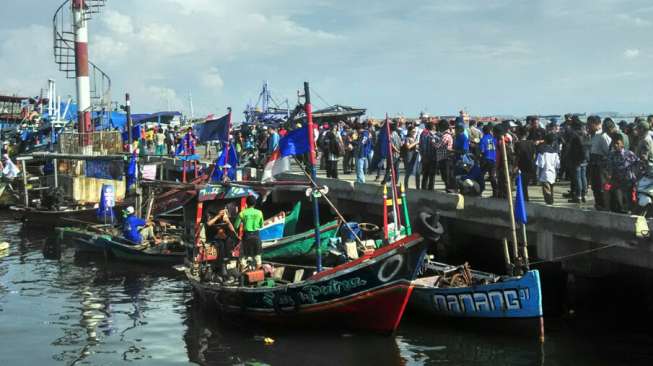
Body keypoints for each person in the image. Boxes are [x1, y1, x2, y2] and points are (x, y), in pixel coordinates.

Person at [607, 134, 638, 213]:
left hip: (628, 181)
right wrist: (610, 179)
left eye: (617, 143)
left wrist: (636, 178)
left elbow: (637, 164)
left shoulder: (629, 154)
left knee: (630, 200)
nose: (615, 145)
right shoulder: (612, 155)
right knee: (618, 200)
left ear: (622, 144)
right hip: (617, 181)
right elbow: (610, 168)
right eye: (614, 143)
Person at [233, 195, 264, 270]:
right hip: (256, 236)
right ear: (255, 203)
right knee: (258, 257)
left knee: (242, 257)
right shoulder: (259, 213)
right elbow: (261, 225)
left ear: (246, 203)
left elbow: (236, 226)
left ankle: (244, 272)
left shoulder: (242, 213)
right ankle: (257, 274)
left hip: (247, 237)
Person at [588, 116, 612, 210]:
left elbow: (608, 152)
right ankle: (598, 204)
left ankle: (603, 205)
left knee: (602, 187)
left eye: (590, 125)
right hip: (593, 164)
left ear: (597, 124)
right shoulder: (593, 136)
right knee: (595, 187)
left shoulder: (603, 136)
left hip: (601, 166)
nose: (588, 127)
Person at [536, 134, 560, 205]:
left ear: (545, 141)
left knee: (546, 192)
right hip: (553, 174)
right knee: (551, 190)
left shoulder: (542, 151)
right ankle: (551, 203)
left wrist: (538, 175)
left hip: (545, 174)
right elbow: (557, 164)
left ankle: (549, 204)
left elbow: (541, 164)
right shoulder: (555, 152)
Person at [478, 125, 498, 197]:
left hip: (486, 159)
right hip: (494, 159)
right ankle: (495, 192)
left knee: (481, 175)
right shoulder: (494, 139)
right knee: (492, 176)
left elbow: (482, 151)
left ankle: (480, 190)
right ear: (490, 131)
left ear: (483, 131)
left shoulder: (483, 139)